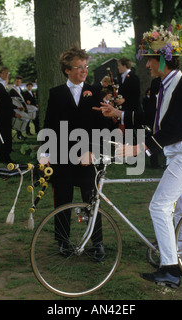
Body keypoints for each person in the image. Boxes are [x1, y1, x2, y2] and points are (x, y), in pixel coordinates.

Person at [94, 19, 182, 288]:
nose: (146, 64)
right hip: (176, 154)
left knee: (159, 206)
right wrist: (118, 113)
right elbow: (151, 119)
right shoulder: (161, 86)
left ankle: (170, 268)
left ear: (165, 60)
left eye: (150, 59)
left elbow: (175, 128)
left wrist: (140, 147)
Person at [40, 46, 111, 261]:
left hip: (87, 158)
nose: (84, 71)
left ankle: (97, 242)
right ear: (66, 70)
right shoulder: (56, 93)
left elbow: (102, 128)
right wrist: (44, 152)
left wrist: (93, 151)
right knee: (62, 199)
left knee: (92, 199)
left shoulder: (95, 93)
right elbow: (49, 124)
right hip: (61, 156)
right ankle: (63, 240)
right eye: (79, 67)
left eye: (85, 67)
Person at [0, 66, 21, 163]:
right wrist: (14, 113)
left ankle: (5, 155)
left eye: (8, 73)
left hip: (5, 115)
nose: (6, 75)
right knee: (4, 137)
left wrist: (16, 108)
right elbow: (5, 102)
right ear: (0, 74)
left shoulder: (3, 85)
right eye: (5, 73)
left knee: (6, 136)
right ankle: (5, 157)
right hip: (2, 116)